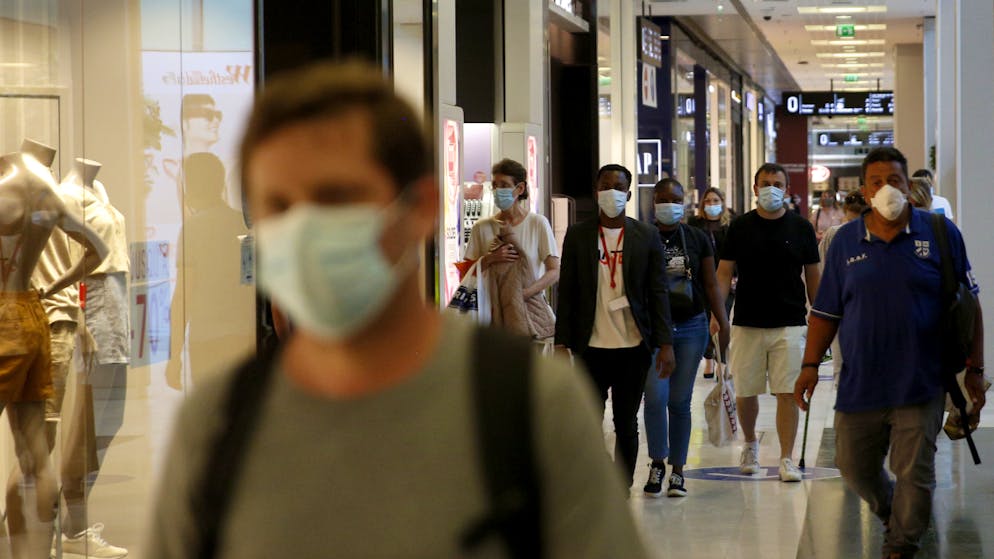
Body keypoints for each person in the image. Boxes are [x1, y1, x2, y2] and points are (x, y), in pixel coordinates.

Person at [147, 61, 647, 558]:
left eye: (335, 197)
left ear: (421, 208)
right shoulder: (219, 423)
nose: (304, 229)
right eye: (278, 205)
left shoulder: (528, 404)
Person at [795, 147, 986, 559]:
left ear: (909, 186)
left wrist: (975, 369)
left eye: (894, 181)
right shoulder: (845, 241)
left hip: (922, 380)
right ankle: (892, 511)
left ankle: (901, 544)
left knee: (915, 471)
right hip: (860, 382)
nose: (886, 189)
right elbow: (826, 312)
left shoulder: (939, 233)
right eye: (877, 182)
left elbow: (971, 305)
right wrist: (810, 365)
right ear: (864, 190)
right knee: (853, 466)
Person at [1, 149, 109, 559]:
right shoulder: (44, 187)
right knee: (34, 453)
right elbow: (97, 250)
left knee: (34, 451)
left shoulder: (6, 185)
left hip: (4, 315)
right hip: (31, 309)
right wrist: (53, 287)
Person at [554, 163, 675, 491]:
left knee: (625, 422)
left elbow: (657, 292)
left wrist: (665, 343)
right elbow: (567, 291)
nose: (611, 193)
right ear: (596, 193)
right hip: (590, 346)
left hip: (633, 348)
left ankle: (620, 487)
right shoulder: (579, 235)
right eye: (605, 186)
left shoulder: (645, 236)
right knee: (588, 420)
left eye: (618, 187)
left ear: (629, 193)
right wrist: (560, 341)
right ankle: (594, 477)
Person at [714, 163, 820, 482]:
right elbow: (722, 274)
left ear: (786, 189)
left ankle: (786, 458)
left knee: (787, 392)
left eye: (777, 183)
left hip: (790, 322)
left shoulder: (801, 228)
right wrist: (717, 314)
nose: (771, 188)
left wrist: (821, 316)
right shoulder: (740, 227)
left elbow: (813, 277)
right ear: (755, 187)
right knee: (746, 391)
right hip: (747, 321)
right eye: (765, 183)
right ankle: (750, 445)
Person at [641, 178, 729, 498]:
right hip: (653, 330)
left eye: (675, 199)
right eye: (663, 199)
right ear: (654, 202)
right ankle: (657, 461)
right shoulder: (643, 236)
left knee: (679, 401)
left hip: (691, 326)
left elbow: (710, 284)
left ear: (684, 203)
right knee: (654, 397)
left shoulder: (696, 237)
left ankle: (678, 469)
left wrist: (722, 321)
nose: (669, 204)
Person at [463, 158, 559, 335]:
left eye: (504, 185)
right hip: (489, 313)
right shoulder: (481, 228)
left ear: (520, 188)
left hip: (527, 311)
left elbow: (554, 270)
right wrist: (492, 258)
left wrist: (525, 293)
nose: (498, 190)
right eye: (495, 185)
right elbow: (466, 271)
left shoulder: (537, 223)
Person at [817, 191, 869, 387]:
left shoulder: (879, 236)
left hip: (852, 313)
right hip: (844, 314)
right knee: (844, 370)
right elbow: (822, 275)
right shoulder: (835, 235)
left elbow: (822, 276)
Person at [688, 187, 734, 379]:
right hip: (703, 281)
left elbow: (735, 254)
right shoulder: (695, 224)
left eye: (716, 201)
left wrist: (735, 275)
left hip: (726, 281)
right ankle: (708, 359)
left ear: (722, 203)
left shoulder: (730, 224)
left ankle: (721, 361)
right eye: (709, 201)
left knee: (723, 320)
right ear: (702, 204)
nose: (712, 204)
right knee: (706, 320)